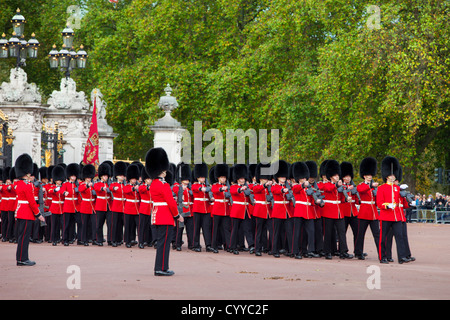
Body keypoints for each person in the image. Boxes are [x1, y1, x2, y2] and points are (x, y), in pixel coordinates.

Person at [145, 147, 183, 276]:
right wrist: (177, 215)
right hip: (165, 216)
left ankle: (163, 267)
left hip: (158, 214)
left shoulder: (154, 184)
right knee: (164, 244)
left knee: (163, 243)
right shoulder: (163, 185)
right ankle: (160, 268)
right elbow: (171, 202)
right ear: (162, 170)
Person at [376, 156, 409, 264]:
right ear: (386, 176)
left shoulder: (398, 188)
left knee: (399, 237)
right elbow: (379, 203)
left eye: (394, 175)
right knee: (383, 238)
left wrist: (409, 202)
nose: (393, 176)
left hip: (397, 217)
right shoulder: (381, 188)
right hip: (386, 216)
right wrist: (387, 206)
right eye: (391, 175)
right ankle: (383, 257)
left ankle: (402, 256)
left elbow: (402, 203)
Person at [14, 153, 45, 266]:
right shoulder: (27, 185)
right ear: (27, 173)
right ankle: (23, 259)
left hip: (20, 211)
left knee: (22, 236)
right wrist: (38, 214)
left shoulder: (18, 184)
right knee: (24, 237)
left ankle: (21, 258)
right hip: (26, 213)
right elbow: (32, 202)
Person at [321, 160, 353, 260]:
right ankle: (327, 251)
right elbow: (329, 188)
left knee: (342, 232)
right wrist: (337, 186)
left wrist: (346, 198)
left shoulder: (341, 186)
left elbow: (341, 198)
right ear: (330, 176)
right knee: (328, 233)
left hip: (339, 212)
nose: (337, 177)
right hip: (329, 211)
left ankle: (343, 251)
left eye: (337, 175)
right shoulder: (326, 184)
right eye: (335, 175)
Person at [354, 157, 379, 260]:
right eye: (368, 175)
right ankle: (358, 252)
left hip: (373, 212)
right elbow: (361, 190)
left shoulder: (373, 187)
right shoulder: (362, 185)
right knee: (361, 234)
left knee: (377, 234)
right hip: (364, 212)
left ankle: (382, 253)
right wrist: (370, 185)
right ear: (364, 176)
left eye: (370, 175)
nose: (370, 177)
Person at [270, 160, 292, 258]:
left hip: (287, 211)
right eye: (281, 177)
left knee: (289, 231)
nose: (283, 178)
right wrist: (283, 190)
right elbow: (277, 191)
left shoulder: (288, 186)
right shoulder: (274, 186)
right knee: (276, 232)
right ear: (277, 177)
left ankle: (290, 250)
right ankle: (275, 250)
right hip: (278, 211)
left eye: (284, 176)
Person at [229, 164, 252, 255]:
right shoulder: (234, 187)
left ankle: (251, 245)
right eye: (241, 179)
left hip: (245, 211)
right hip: (237, 211)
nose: (242, 180)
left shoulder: (247, 187)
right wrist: (241, 189)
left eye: (243, 178)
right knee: (235, 229)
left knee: (247, 229)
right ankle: (233, 246)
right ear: (237, 179)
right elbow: (234, 191)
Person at [191, 162, 213, 252]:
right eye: (201, 177)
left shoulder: (207, 186)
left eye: (203, 177)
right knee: (196, 228)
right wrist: (202, 188)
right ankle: (196, 245)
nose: (202, 179)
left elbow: (210, 194)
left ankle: (208, 245)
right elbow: (196, 189)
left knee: (206, 228)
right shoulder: (195, 185)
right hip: (197, 209)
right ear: (197, 177)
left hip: (206, 209)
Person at [252, 163, 272, 256]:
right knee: (259, 231)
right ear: (260, 179)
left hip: (268, 211)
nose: (266, 180)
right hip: (259, 211)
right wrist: (265, 185)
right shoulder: (256, 186)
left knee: (270, 230)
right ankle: (257, 249)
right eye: (264, 179)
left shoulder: (269, 187)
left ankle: (268, 247)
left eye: (266, 178)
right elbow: (257, 190)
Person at [210, 163, 232, 253]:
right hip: (217, 209)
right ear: (218, 178)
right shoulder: (215, 185)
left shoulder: (227, 187)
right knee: (215, 229)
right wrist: (221, 189)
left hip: (226, 210)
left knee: (227, 229)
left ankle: (228, 245)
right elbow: (214, 190)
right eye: (222, 177)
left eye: (224, 177)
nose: (223, 179)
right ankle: (213, 246)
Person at [60, 163, 80, 246]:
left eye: (75, 176)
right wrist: (65, 192)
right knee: (66, 224)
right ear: (69, 176)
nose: (74, 177)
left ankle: (71, 238)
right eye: (72, 176)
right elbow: (61, 190)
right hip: (68, 206)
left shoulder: (76, 184)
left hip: (74, 206)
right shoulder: (65, 184)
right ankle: (65, 239)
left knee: (72, 224)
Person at [93, 162, 112, 246]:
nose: (105, 177)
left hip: (108, 206)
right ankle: (99, 240)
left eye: (106, 176)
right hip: (100, 206)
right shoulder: (97, 183)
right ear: (101, 176)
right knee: (99, 224)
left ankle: (110, 240)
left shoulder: (109, 183)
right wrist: (102, 188)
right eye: (104, 176)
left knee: (110, 223)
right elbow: (97, 188)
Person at [109, 161, 127, 247]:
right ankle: (113, 240)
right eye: (120, 175)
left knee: (121, 224)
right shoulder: (114, 184)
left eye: (123, 175)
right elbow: (111, 188)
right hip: (116, 205)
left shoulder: (125, 185)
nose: (122, 177)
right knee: (115, 223)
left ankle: (119, 239)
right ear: (116, 176)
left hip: (123, 206)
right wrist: (114, 188)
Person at [78, 164, 96, 246]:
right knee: (84, 224)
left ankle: (93, 238)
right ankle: (84, 239)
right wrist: (87, 186)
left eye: (90, 177)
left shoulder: (93, 185)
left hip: (92, 206)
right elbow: (80, 189)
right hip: (85, 206)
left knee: (93, 223)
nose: (89, 179)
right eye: (88, 177)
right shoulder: (82, 184)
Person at [123, 164, 140, 248]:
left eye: (135, 179)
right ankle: (127, 241)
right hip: (129, 208)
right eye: (133, 179)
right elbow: (126, 191)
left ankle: (133, 239)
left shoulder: (137, 186)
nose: (134, 180)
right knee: (128, 226)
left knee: (135, 225)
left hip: (136, 208)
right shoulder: (127, 186)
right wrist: (134, 189)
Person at [48, 165, 65, 246]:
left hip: (62, 207)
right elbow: (50, 191)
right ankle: (54, 239)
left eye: (60, 180)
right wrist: (55, 189)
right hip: (54, 208)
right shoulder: (52, 187)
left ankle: (62, 238)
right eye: (57, 180)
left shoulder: (63, 187)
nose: (59, 181)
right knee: (54, 224)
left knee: (62, 224)